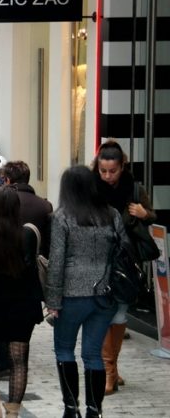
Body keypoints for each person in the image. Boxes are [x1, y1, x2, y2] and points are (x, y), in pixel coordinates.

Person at [46, 166, 125, 418]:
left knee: (64, 349)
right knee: (93, 354)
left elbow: (56, 261)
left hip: (71, 293)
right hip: (105, 292)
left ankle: (71, 408)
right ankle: (94, 410)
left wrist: (52, 300)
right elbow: (123, 250)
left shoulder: (63, 217)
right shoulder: (111, 215)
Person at [0, 187, 44, 417]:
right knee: (19, 360)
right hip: (22, 304)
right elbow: (31, 264)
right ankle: (13, 412)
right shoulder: (29, 235)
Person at [91, 140, 155, 395]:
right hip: (96, 259)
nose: (107, 176)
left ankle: (111, 371)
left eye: (112, 171)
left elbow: (153, 215)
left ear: (122, 167)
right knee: (103, 314)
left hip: (126, 262)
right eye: (103, 171)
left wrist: (144, 214)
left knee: (118, 315)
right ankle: (110, 372)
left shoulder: (134, 189)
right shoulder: (90, 189)